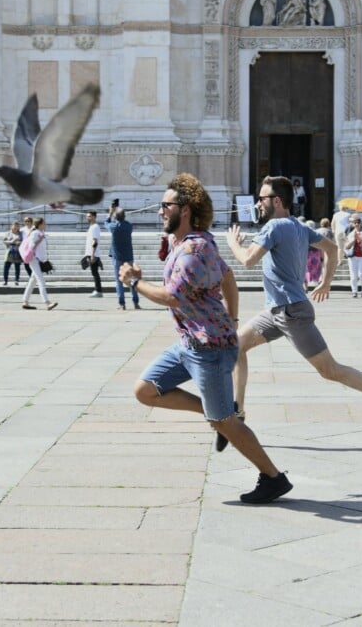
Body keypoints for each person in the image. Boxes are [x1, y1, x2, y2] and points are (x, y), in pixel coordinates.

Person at [120, 172, 293, 504]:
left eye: (164, 205)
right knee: (145, 390)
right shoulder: (187, 242)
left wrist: (133, 282)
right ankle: (219, 412)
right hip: (190, 344)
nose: (160, 211)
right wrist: (232, 318)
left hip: (210, 350)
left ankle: (273, 478)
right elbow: (229, 278)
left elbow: (173, 297)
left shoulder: (194, 251)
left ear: (184, 210)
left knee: (225, 423)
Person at [224, 175, 362, 452]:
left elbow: (247, 259)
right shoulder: (296, 226)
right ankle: (238, 411)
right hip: (276, 311)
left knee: (329, 370)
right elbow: (332, 249)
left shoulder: (274, 225)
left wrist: (232, 242)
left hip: (292, 312)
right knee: (236, 345)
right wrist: (325, 281)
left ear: (276, 200)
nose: (258, 203)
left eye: (262, 198)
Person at [106, 203, 140, 311]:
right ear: (124, 216)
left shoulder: (113, 227)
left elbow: (106, 223)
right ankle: (135, 302)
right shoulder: (129, 226)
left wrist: (110, 213)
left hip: (117, 257)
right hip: (128, 256)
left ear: (116, 217)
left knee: (119, 281)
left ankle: (122, 304)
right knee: (132, 279)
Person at [21, 217, 57, 311]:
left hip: (38, 259)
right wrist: (40, 240)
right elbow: (32, 246)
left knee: (33, 281)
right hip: (34, 259)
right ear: (40, 224)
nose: (46, 224)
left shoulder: (40, 233)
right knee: (41, 280)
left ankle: (25, 301)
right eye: (44, 223)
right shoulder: (35, 233)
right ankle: (47, 303)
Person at [346, 215, 362, 297]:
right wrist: (353, 240)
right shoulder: (350, 233)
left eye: (358, 223)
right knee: (353, 275)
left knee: (361, 274)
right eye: (355, 223)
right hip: (353, 256)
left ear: (360, 223)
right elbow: (347, 246)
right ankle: (354, 291)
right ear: (353, 224)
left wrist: (358, 237)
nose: (356, 224)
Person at [84, 210, 103, 297]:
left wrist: (93, 255)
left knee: (95, 272)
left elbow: (95, 241)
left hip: (93, 254)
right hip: (91, 253)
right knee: (94, 272)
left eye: (89, 216)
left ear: (94, 217)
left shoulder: (95, 227)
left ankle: (98, 291)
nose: (87, 217)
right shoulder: (92, 227)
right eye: (87, 216)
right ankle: (98, 290)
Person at [2, 221, 23, 285]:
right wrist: (11, 241)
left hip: (17, 251)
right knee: (6, 267)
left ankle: (16, 280)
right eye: (14, 226)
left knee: (17, 267)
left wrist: (18, 243)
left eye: (17, 226)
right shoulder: (8, 233)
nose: (16, 227)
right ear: (12, 226)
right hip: (9, 251)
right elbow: (4, 241)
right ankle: (5, 280)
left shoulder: (20, 234)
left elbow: (23, 241)